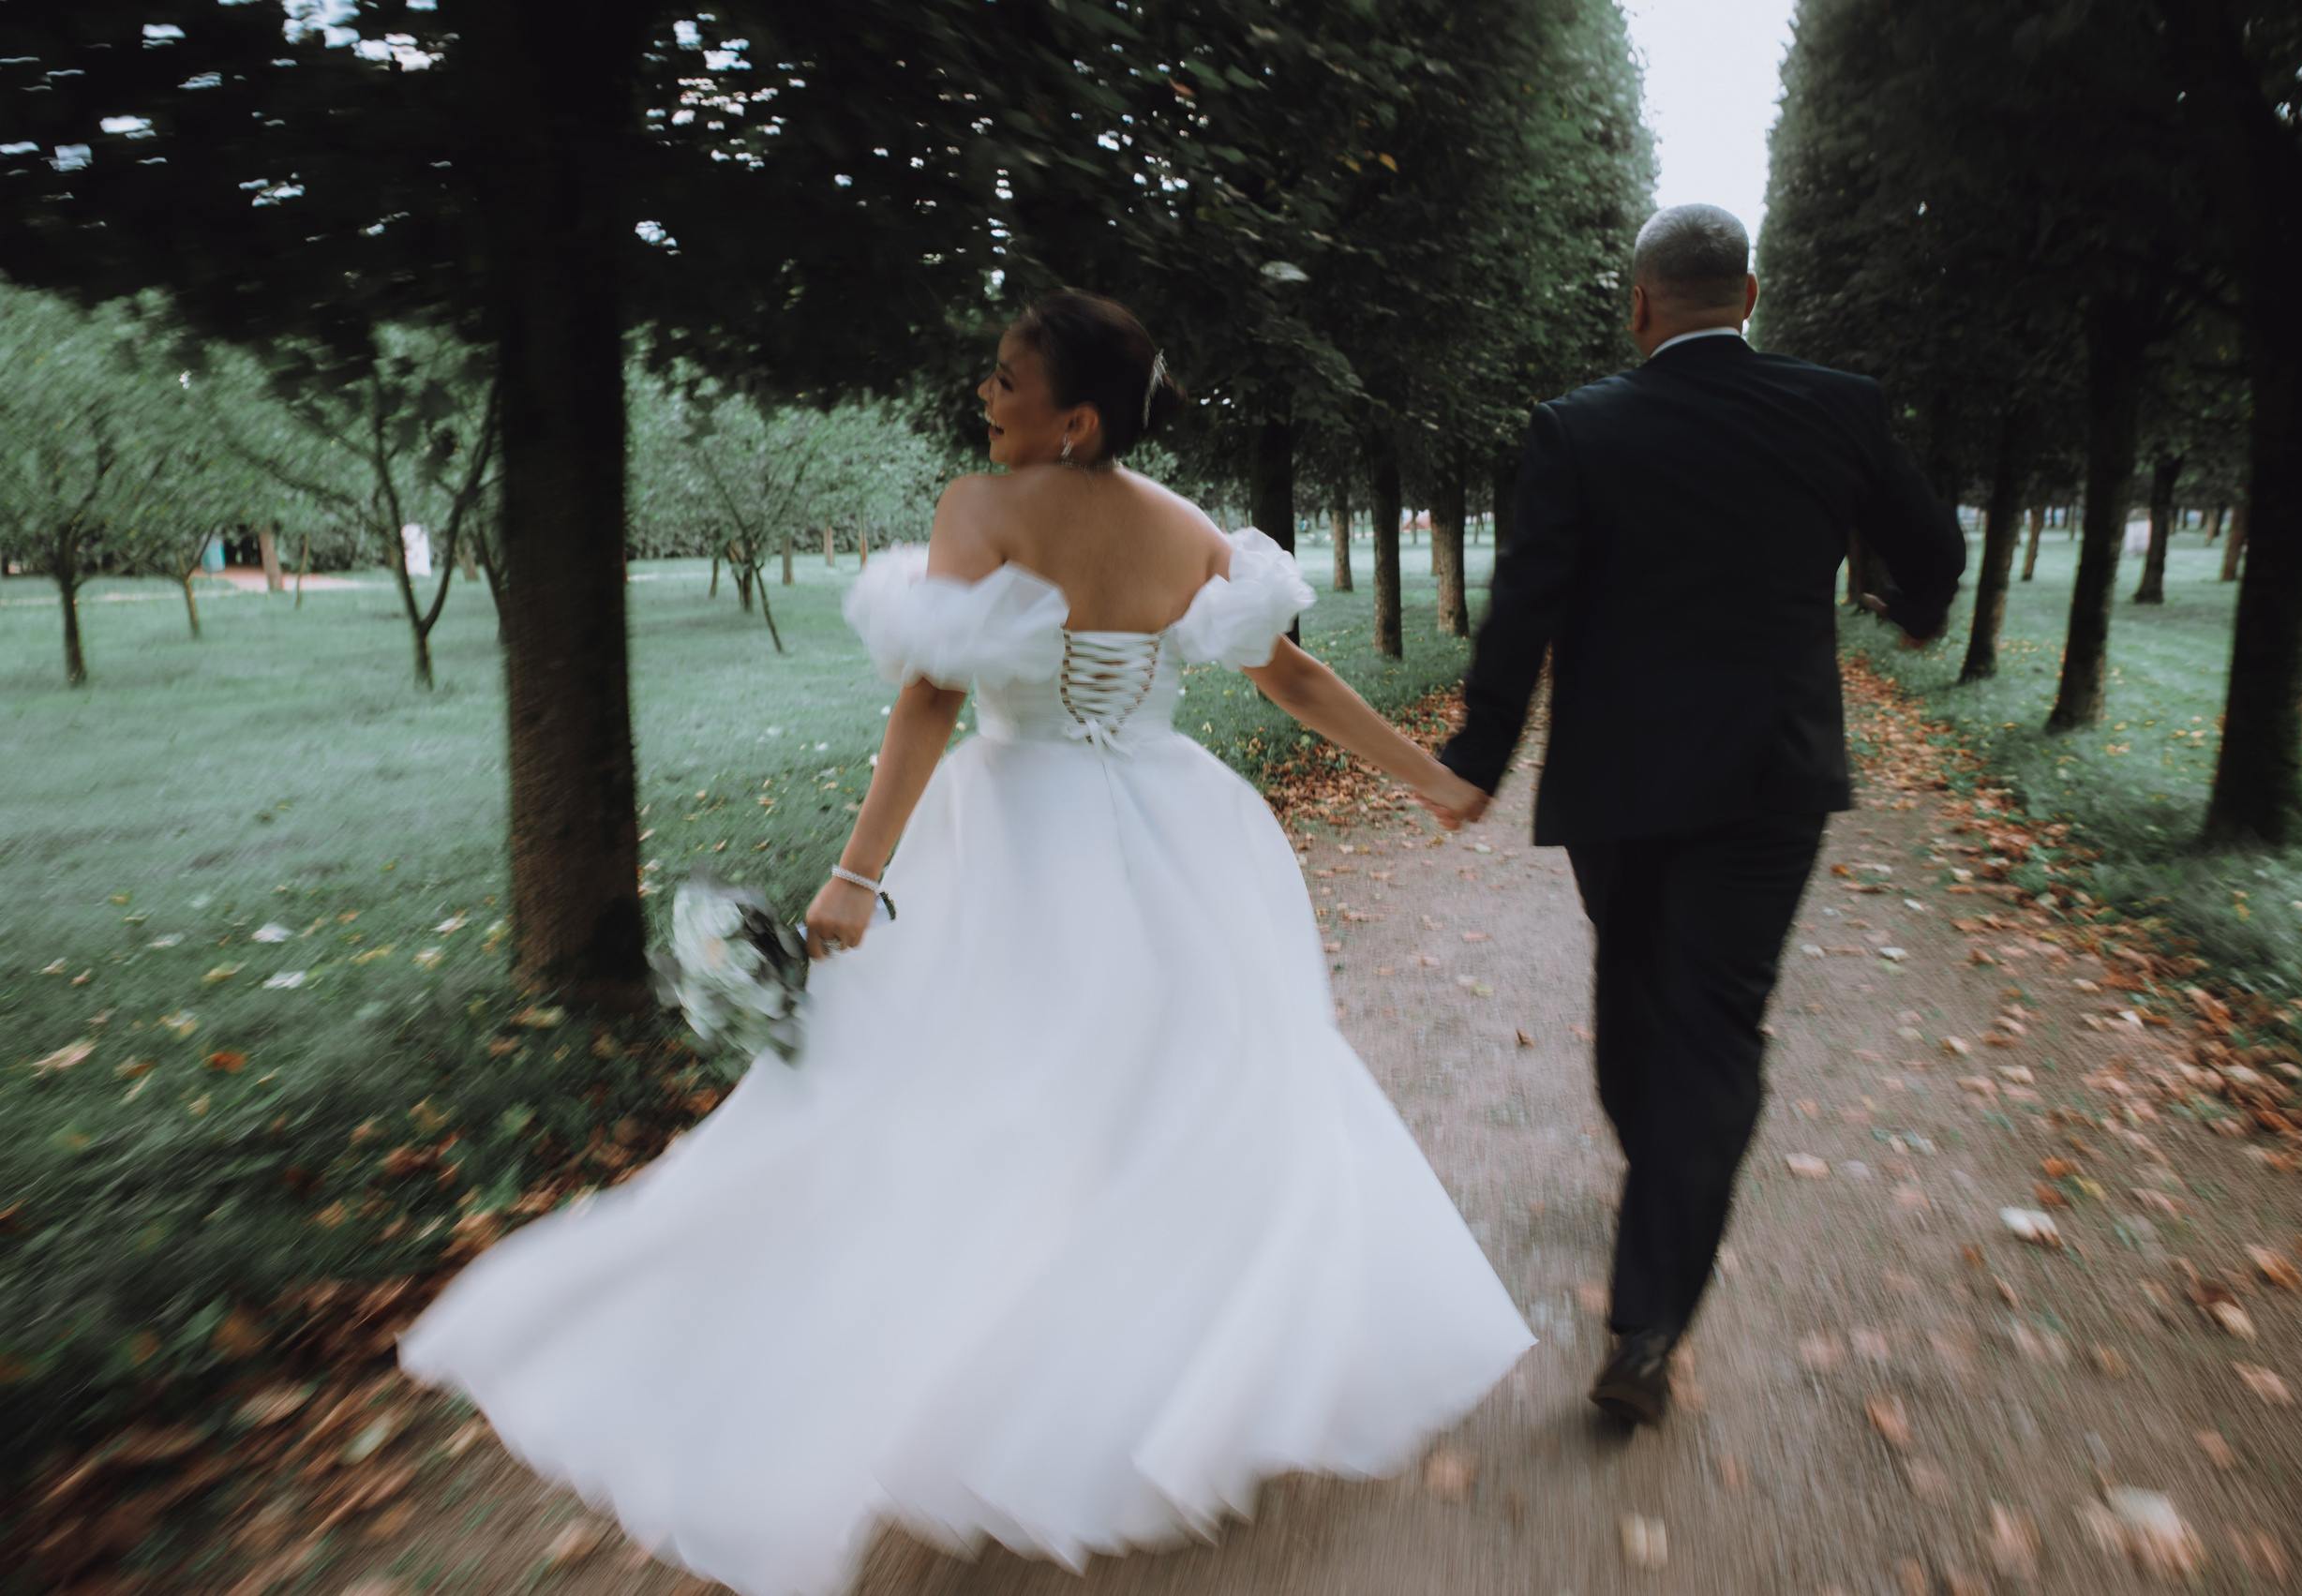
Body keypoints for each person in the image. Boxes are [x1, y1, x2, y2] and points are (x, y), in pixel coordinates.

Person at [401, 290, 1532, 1596]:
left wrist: (854, 876)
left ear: (1076, 418)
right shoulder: (1189, 530)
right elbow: (1288, 677)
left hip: (1015, 835)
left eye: (1007, 381)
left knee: (971, 1103)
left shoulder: (980, 513)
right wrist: (1430, 780)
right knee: (1174, 1108)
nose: (986, 399)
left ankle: (1014, 1388)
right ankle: (1120, 1386)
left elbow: (934, 697)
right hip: (1183, 842)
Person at [1438, 203, 1965, 1427]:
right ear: (1752, 294)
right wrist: (1905, 602)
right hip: (1771, 776)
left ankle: (1652, 1250)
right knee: (1717, 1024)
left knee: (1634, 996)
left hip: (1618, 781)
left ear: (1639, 306)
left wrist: (1477, 754)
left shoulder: (1577, 430)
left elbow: (1526, 606)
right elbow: (1930, 553)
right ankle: (1654, 1310)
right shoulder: (1842, 406)